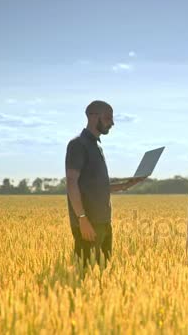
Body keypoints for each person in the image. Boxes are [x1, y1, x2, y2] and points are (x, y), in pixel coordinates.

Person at [65, 100, 144, 266]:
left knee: (103, 272)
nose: (112, 123)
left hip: (103, 223)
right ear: (94, 117)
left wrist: (127, 184)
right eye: (108, 118)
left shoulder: (96, 146)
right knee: (85, 273)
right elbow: (72, 183)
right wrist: (82, 219)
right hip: (88, 224)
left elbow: (98, 186)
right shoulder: (78, 144)